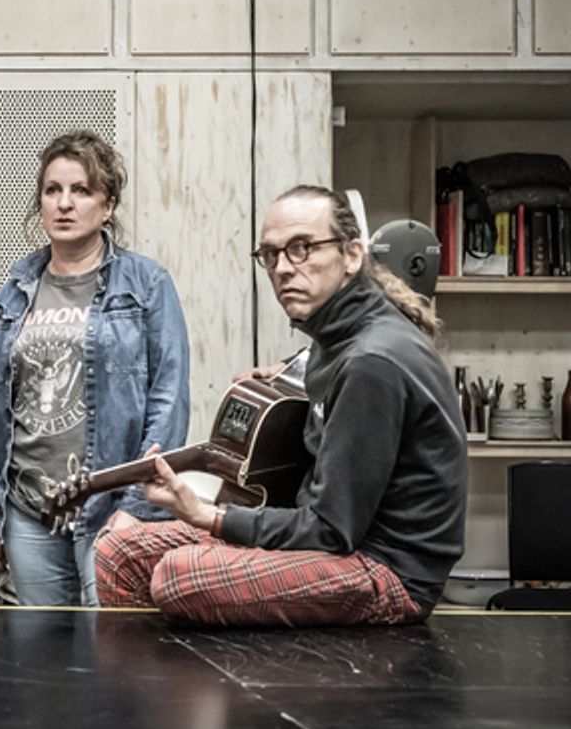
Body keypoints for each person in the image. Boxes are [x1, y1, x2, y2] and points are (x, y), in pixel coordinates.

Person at [95, 185, 466, 626]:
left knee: (182, 575)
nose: (284, 268)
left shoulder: (371, 362)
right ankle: (150, 693)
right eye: (270, 255)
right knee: (121, 554)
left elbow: (331, 530)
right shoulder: (330, 344)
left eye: (302, 248)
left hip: (387, 571)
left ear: (351, 255)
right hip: (335, 544)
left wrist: (211, 516)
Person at [0, 130, 191, 606]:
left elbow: (168, 402)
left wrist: (135, 508)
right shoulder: (17, 286)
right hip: (28, 509)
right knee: (41, 666)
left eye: (81, 190)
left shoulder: (146, 284)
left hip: (111, 508)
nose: (64, 204)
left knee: (112, 661)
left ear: (108, 206)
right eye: (53, 190)